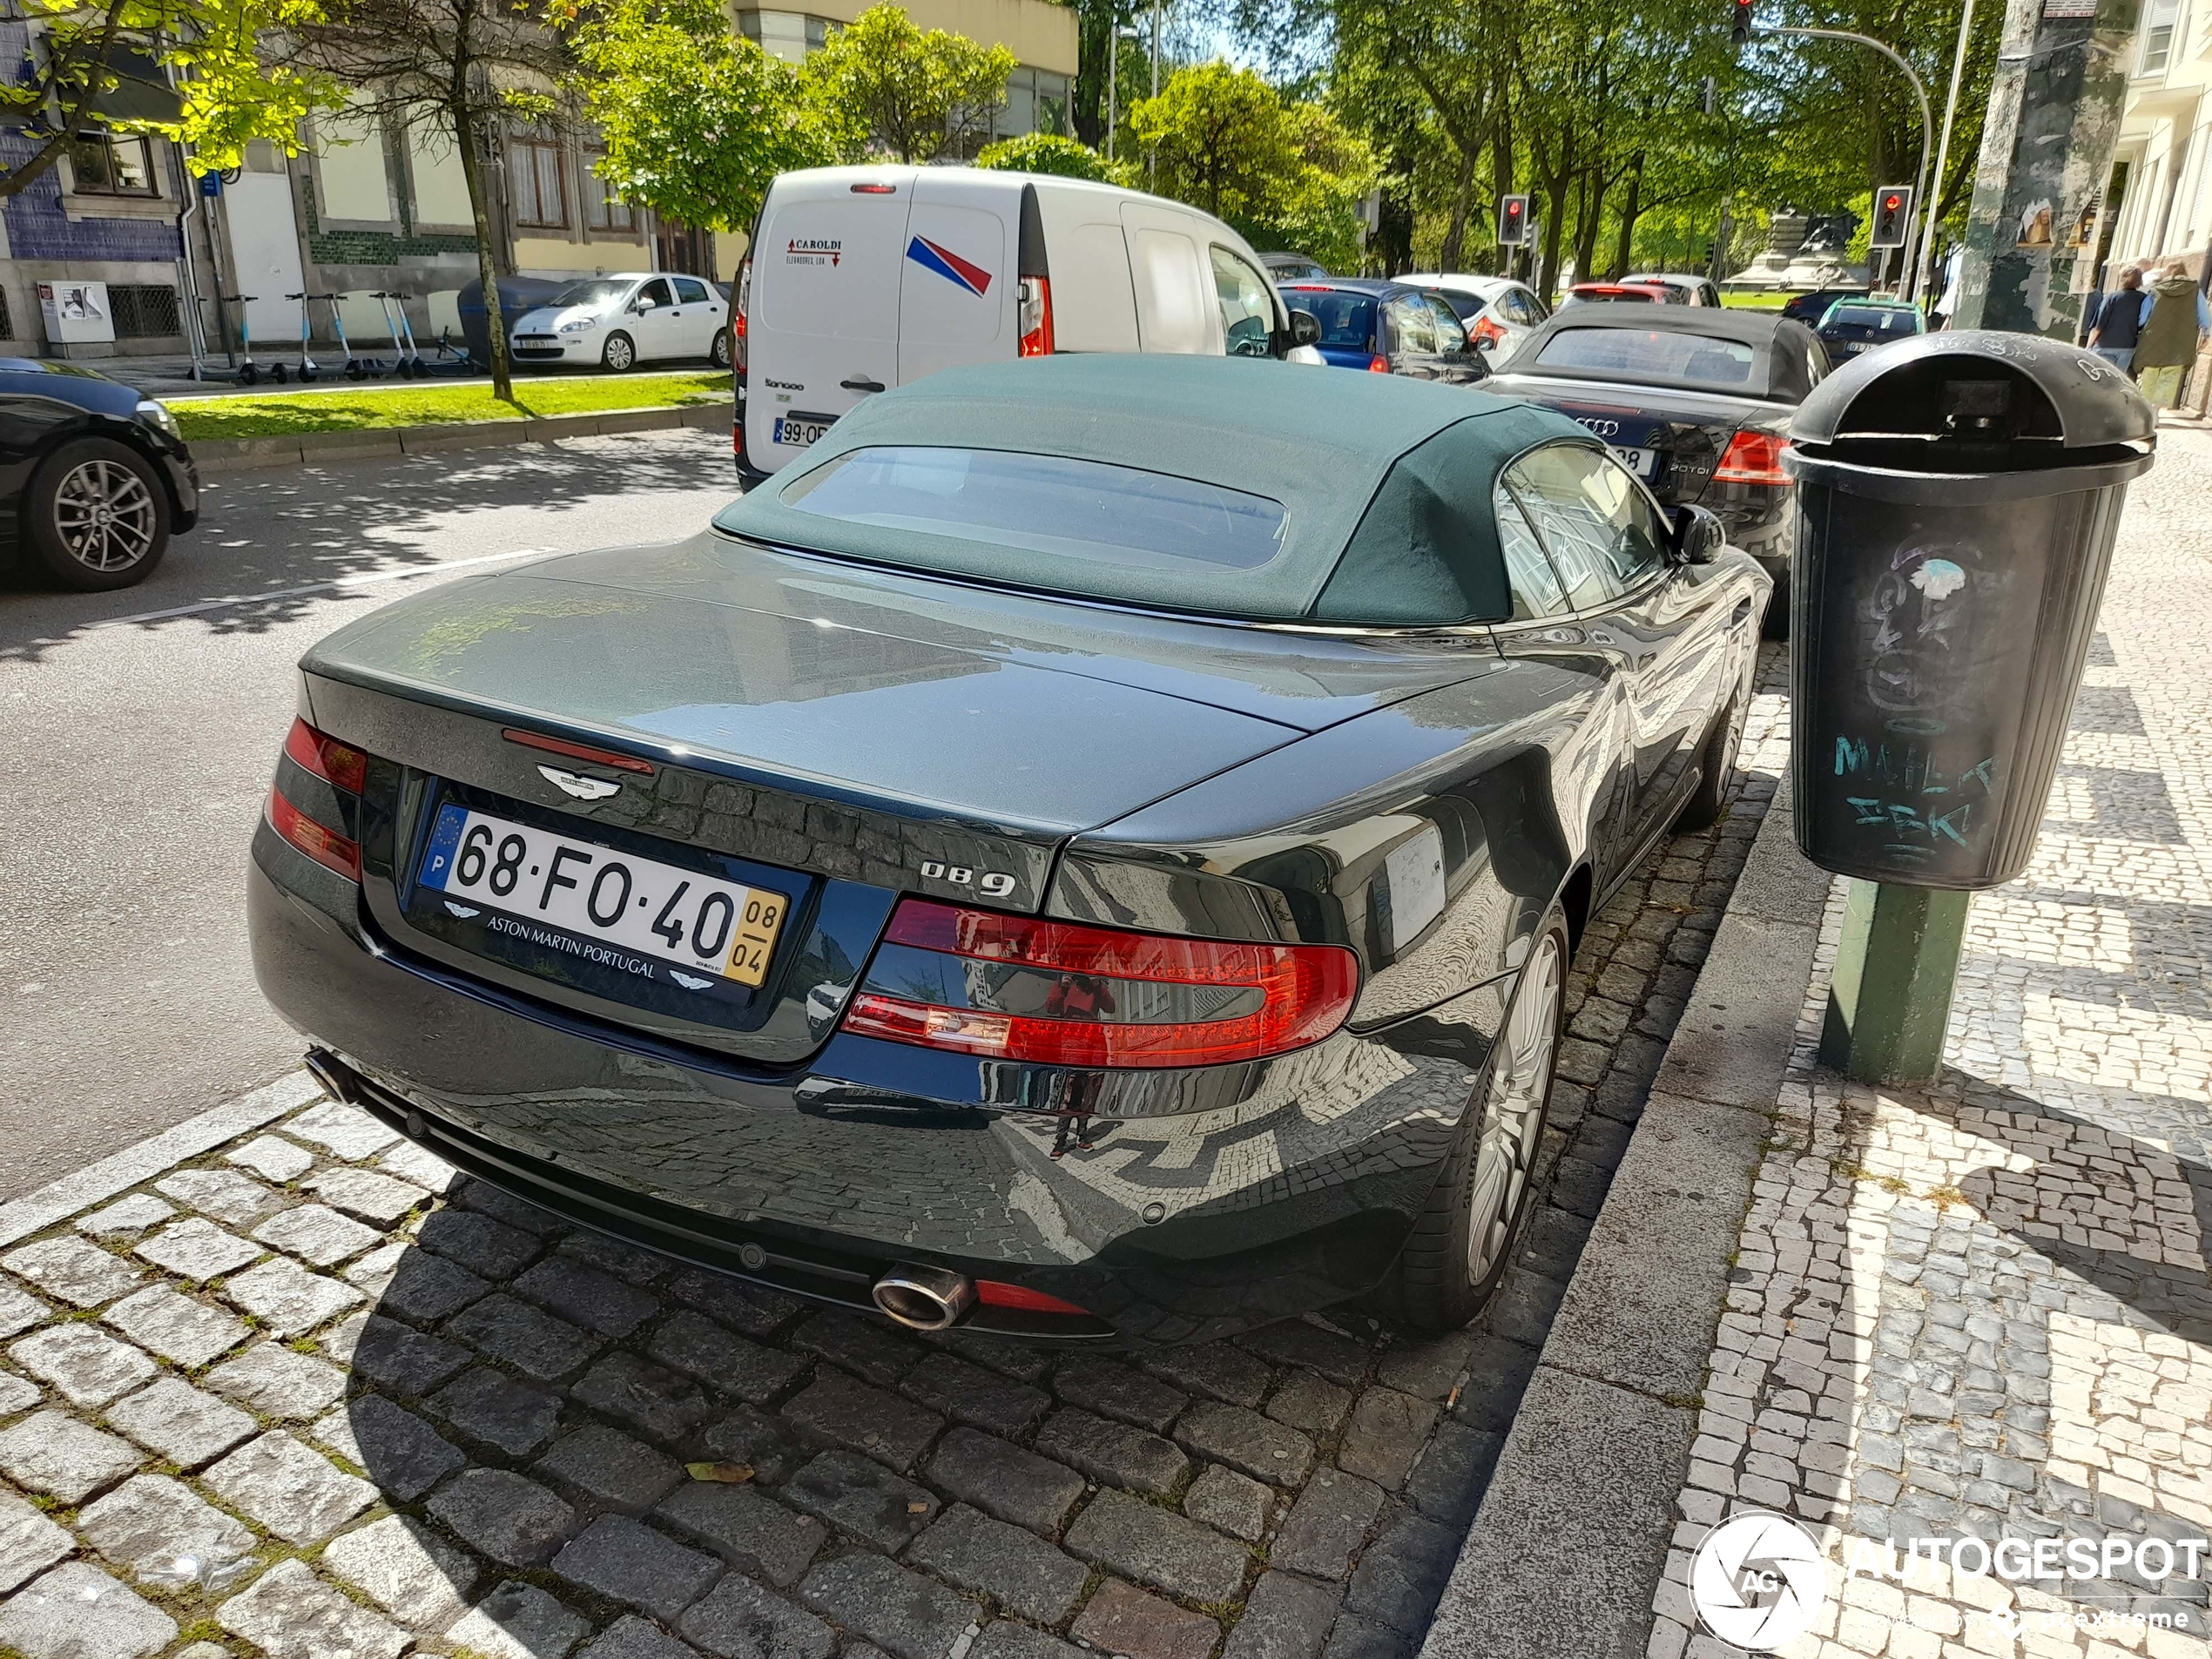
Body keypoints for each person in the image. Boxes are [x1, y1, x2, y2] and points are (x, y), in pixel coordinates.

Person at [2134, 260, 2211, 414]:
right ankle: (2156, 412)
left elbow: (2143, 317)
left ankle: (2147, 412)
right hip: (2181, 342)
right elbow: (2205, 317)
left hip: (2153, 339)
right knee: (2169, 377)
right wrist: (2207, 335)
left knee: (2150, 374)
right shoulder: (2194, 290)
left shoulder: (2156, 290)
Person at [2087, 266, 2146, 370]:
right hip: (2128, 346)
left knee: (2101, 377)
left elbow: (2099, 325)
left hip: (2105, 345)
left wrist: (2088, 347)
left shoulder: (2111, 297)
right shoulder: (2144, 299)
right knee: (2117, 379)